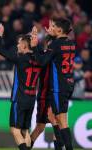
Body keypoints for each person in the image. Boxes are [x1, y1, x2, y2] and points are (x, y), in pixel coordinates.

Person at [30, 17, 75, 150]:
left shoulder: (55, 45)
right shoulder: (71, 43)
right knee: (55, 117)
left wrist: (35, 46)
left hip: (58, 87)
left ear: (60, 30)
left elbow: (42, 62)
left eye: (54, 27)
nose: (51, 28)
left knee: (61, 121)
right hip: (68, 84)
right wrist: (51, 35)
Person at [0, 23, 42, 150]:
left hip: (20, 98)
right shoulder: (39, 60)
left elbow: (0, 50)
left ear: (24, 45)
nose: (17, 45)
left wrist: (0, 35)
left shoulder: (20, 59)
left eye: (19, 43)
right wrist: (35, 38)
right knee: (25, 130)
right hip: (32, 98)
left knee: (14, 129)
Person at [30, 30, 64, 150]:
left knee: (58, 123)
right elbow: (37, 50)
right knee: (40, 127)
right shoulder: (42, 56)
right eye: (51, 44)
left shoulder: (59, 58)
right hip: (45, 96)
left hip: (56, 94)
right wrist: (34, 36)